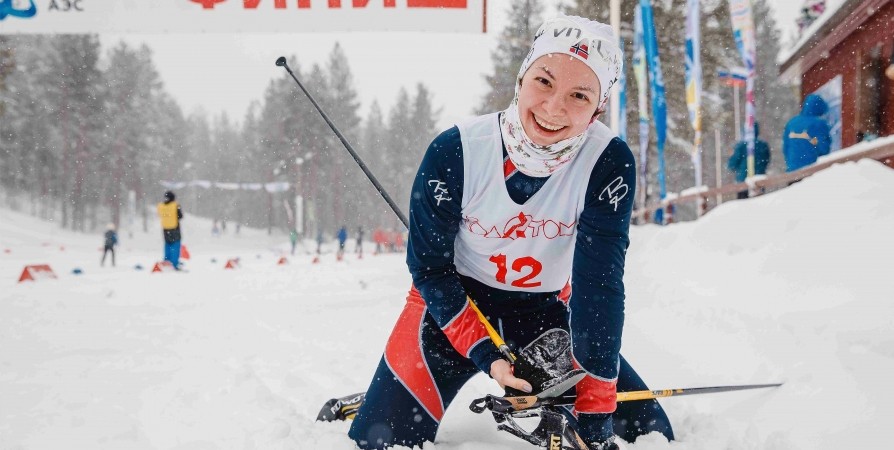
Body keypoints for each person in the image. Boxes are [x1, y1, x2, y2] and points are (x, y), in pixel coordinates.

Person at [348, 15, 673, 450]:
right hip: (450, 308)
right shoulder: (457, 150)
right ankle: (378, 398)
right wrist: (487, 354)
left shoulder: (607, 162)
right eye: (544, 81)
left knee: (650, 433)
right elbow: (429, 270)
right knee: (379, 441)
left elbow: (598, 287)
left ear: (598, 108)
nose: (554, 107)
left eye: (579, 95)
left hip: (543, 317)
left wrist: (595, 416)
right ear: (522, 79)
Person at [782, 93, 831, 173]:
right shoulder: (819, 123)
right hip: (812, 170)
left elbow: (786, 147)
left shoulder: (791, 123)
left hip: (793, 171)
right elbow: (824, 148)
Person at [727, 122, 771, 199]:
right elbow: (766, 161)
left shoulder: (741, 146)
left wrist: (731, 157)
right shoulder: (763, 145)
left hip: (743, 183)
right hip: (759, 180)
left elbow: (732, 165)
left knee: (743, 204)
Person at [156, 190, 183, 269]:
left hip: (165, 228)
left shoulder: (160, 206)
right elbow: (180, 216)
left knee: (167, 245)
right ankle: (174, 264)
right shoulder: (175, 205)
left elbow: (159, 214)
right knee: (175, 245)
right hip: (175, 228)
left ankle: (166, 262)